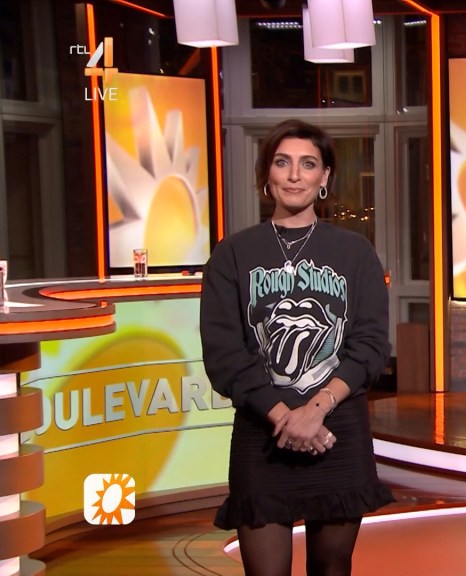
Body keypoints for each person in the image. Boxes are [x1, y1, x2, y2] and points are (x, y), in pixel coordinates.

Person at [200, 119, 394, 576]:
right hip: (263, 435)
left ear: (324, 176)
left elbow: (369, 346)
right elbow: (225, 355)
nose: (293, 175)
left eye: (308, 164)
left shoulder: (355, 252)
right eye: (282, 162)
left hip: (336, 432)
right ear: (266, 173)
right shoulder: (232, 254)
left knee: (332, 566)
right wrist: (286, 417)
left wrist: (317, 409)